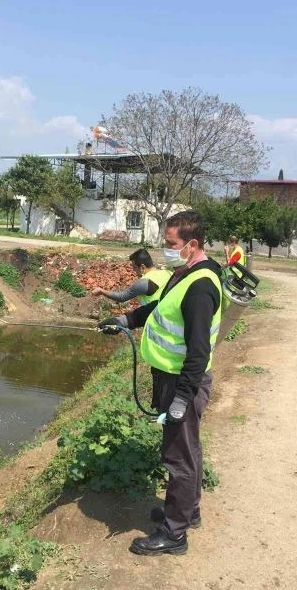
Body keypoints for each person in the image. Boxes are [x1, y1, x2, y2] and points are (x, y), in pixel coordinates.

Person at [99, 210, 223, 556]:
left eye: (171, 244)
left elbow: (198, 352)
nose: (165, 249)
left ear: (192, 244)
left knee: (178, 457)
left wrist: (183, 397)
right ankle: (186, 510)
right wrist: (125, 319)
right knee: (187, 449)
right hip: (170, 377)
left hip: (182, 381)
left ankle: (174, 534)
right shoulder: (183, 272)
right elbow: (156, 309)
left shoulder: (200, 287)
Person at [90, 248, 171, 305]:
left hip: (156, 325)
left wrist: (101, 291)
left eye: (134, 267)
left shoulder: (144, 283)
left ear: (142, 267)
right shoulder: (169, 273)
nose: (133, 270)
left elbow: (122, 297)